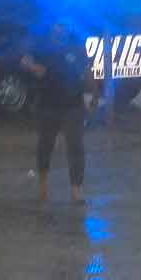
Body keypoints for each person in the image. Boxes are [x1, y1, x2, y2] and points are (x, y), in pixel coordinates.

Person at [20, 20, 95, 204]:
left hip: (73, 104)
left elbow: (87, 71)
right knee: (45, 145)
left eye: (63, 26)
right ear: (51, 28)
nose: (60, 29)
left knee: (75, 145)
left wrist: (91, 94)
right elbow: (24, 59)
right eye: (57, 26)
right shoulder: (42, 46)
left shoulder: (76, 46)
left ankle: (76, 190)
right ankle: (43, 185)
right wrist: (32, 67)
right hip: (48, 104)